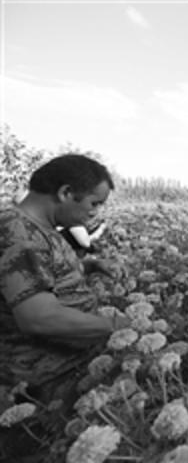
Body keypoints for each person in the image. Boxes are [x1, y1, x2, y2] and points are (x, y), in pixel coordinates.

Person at [0, 154, 130, 459]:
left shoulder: (40, 228)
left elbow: (37, 274)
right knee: (39, 453)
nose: (95, 213)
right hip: (37, 387)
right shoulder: (19, 234)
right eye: (94, 203)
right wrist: (118, 328)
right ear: (66, 192)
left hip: (60, 375)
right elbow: (39, 317)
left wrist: (89, 266)